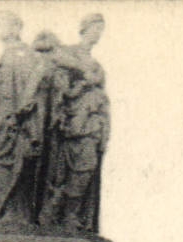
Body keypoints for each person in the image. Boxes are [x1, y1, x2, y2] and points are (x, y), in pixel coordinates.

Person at [40, 13, 109, 230]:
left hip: (92, 124)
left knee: (86, 169)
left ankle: (70, 214)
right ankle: (60, 214)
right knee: (69, 170)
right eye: (95, 28)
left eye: (101, 29)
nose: (98, 34)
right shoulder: (70, 53)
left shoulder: (97, 65)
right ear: (84, 29)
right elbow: (53, 62)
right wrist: (81, 74)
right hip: (72, 125)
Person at [0, 10, 50, 223]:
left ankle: (13, 211)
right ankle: (4, 208)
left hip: (12, 120)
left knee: (3, 160)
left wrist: (20, 111)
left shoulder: (24, 54)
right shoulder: (7, 54)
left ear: (16, 28)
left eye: (4, 23)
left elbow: (32, 85)